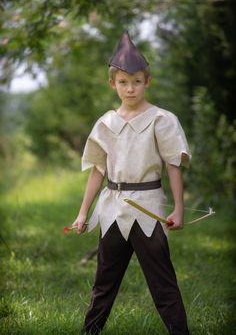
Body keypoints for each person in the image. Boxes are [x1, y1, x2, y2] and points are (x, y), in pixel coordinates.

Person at [72, 30, 191, 335]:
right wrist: (84, 212)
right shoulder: (106, 123)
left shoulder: (161, 119)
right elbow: (98, 170)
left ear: (147, 81)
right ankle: (90, 333)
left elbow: (173, 163)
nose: (130, 88)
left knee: (162, 283)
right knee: (103, 283)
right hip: (112, 209)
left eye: (137, 81)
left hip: (148, 209)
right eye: (123, 82)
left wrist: (178, 208)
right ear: (112, 84)